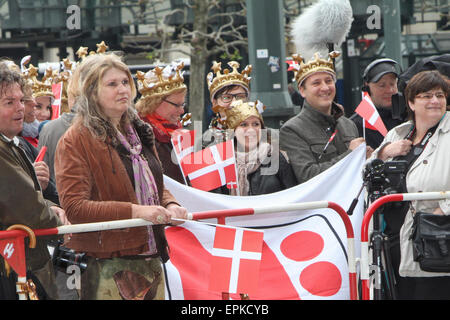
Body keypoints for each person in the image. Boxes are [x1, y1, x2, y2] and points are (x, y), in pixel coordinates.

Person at [54, 53, 188, 300]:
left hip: (150, 253)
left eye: (125, 82)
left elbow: (152, 183)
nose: (123, 90)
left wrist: (170, 203)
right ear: (92, 92)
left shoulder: (139, 131)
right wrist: (136, 212)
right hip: (107, 262)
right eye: (112, 84)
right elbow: (75, 208)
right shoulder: (75, 140)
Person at [369, 70, 450, 299]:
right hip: (396, 242)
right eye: (426, 96)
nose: (435, 101)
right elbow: (367, 175)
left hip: (438, 241)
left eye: (440, 95)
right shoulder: (398, 133)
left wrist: (442, 210)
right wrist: (384, 152)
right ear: (411, 102)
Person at [0, 61, 68, 299]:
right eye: (9, 102)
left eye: (21, 100)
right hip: (11, 269)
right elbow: (26, 207)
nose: (21, 108)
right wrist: (60, 224)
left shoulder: (10, 143)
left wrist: (51, 207)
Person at [280, 51, 370, 184]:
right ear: (302, 90)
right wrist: (351, 154)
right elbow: (308, 176)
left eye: (328, 81)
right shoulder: (292, 130)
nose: (325, 87)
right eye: (316, 83)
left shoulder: (348, 125)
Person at [216, 100, 297, 196]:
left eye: (256, 124)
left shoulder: (276, 157)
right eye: (243, 125)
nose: (251, 130)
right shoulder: (220, 162)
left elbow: (293, 195)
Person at [135, 62, 188, 184]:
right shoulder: (137, 134)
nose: (182, 110)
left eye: (183, 104)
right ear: (155, 102)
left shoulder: (177, 131)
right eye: (177, 105)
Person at [350, 58, 405, 149]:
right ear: (367, 88)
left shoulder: (410, 115)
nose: (389, 90)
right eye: (382, 85)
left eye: (392, 84)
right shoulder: (356, 125)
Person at [204, 60, 252, 147]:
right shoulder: (204, 143)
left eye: (240, 97)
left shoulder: (266, 138)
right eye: (226, 97)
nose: (234, 103)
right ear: (214, 103)